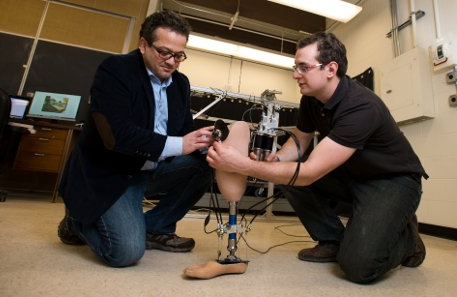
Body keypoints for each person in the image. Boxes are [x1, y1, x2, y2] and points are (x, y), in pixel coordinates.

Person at [206, 32, 427, 284]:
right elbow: (300, 141)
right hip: (352, 175)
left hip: (393, 181)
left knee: (358, 267)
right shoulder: (311, 99)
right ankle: (332, 240)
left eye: (303, 67)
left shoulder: (361, 106)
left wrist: (246, 165)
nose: (295, 74)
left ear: (331, 69)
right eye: (295, 66)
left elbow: (309, 172)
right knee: (284, 174)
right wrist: (274, 161)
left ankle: (409, 241)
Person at [57, 10, 214, 267]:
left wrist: (208, 145)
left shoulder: (180, 84)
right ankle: (76, 221)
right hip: (109, 173)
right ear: (143, 44)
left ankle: (156, 228)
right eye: (164, 52)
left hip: (147, 169)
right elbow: (117, 135)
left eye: (178, 55)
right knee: (126, 253)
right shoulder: (115, 71)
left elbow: (184, 131)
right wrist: (182, 144)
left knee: (204, 165)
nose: (172, 62)